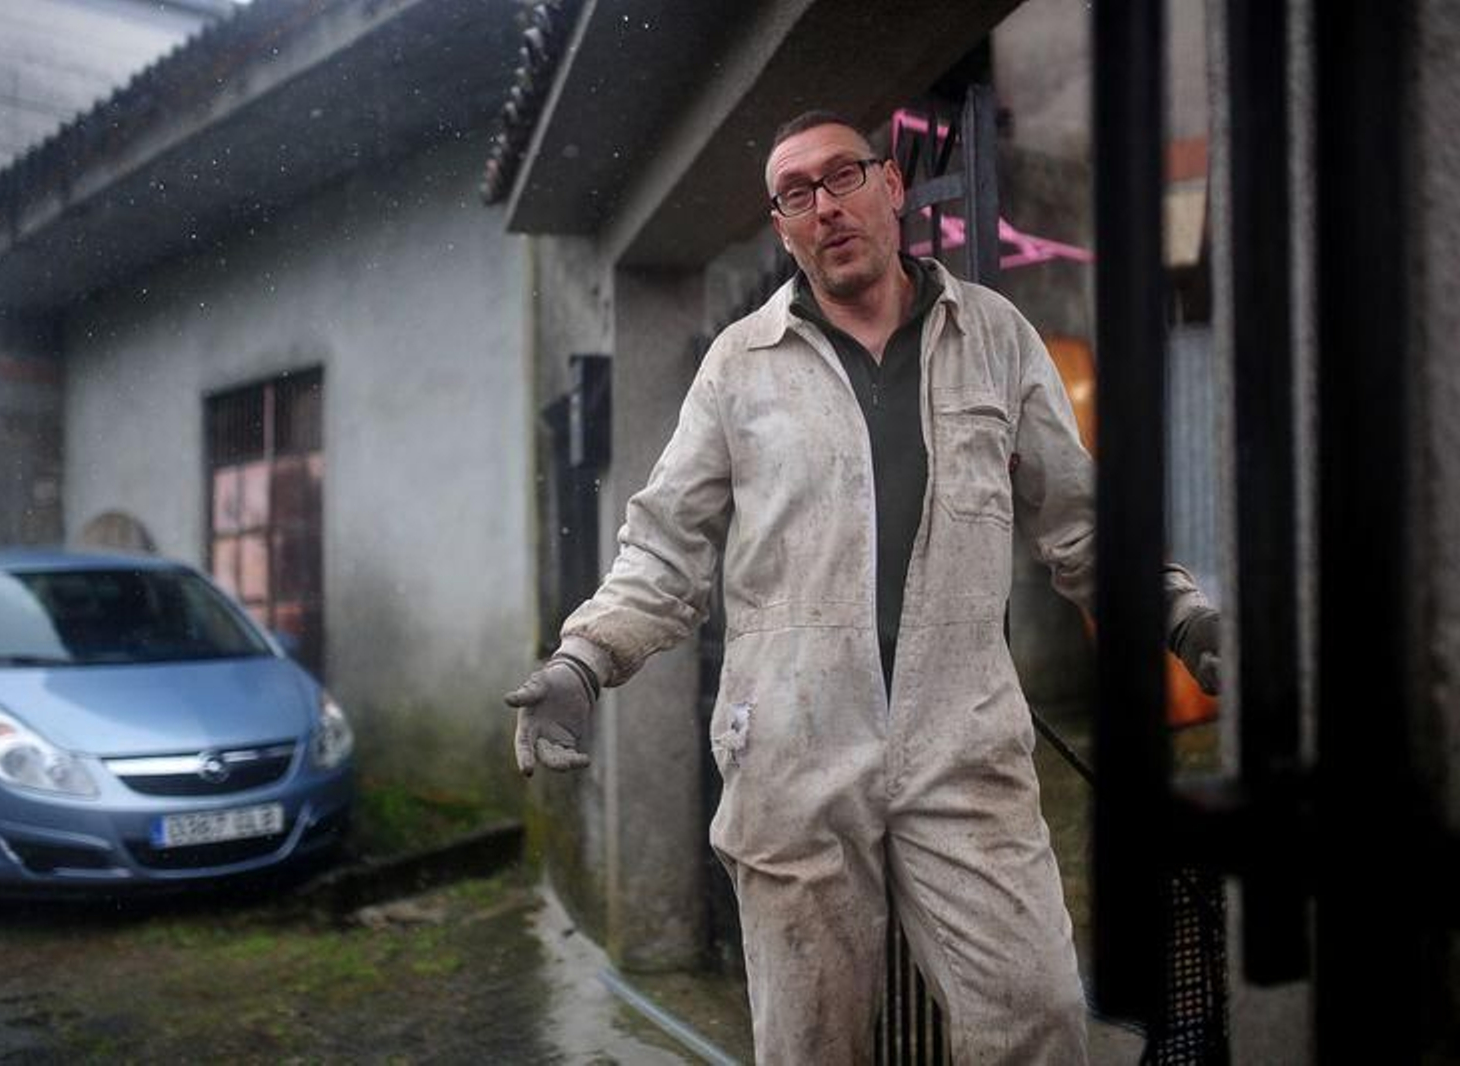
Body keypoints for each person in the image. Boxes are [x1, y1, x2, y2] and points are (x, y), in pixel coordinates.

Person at [506, 109, 1220, 1065]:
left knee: (1039, 1019)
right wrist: (583, 661)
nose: (824, 206)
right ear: (782, 227)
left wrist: (1178, 615)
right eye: (795, 194)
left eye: (842, 177)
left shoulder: (995, 336)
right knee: (811, 1048)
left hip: (964, 743)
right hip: (792, 754)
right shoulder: (737, 367)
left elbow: (1081, 522)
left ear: (890, 186)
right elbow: (665, 550)